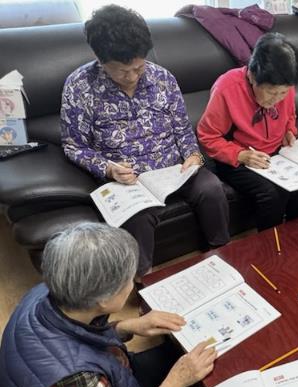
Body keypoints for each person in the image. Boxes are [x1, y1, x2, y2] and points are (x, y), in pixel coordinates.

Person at [0, 223, 217, 387]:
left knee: (171, 357)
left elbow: (76, 338)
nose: (132, 284)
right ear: (103, 300)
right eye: (128, 280)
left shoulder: (47, 291)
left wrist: (126, 326)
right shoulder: (76, 381)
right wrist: (173, 385)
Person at [60, 5, 230, 278]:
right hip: (126, 179)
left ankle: (222, 258)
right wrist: (108, 168)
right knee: (137, 218)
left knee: (212, 189)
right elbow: (73, 145)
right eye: (121, 71)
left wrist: (193, 155)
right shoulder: (80, 86)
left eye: (138, 68)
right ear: (100, 59)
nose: (132, 77)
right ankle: (142, 282)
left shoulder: (163, 78)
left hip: (174, 170)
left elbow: (183, 129)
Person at [197, 32, 298, 231]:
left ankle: (295, 238)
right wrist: (241, 155)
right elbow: (207, 136)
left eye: (283, 93)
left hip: (277, 154)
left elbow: (290, 114)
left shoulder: (285, 84)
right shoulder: (227, 87)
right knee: (272, 194)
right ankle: (270, 244)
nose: (277, 99)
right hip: (240, 157)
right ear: (251, 75)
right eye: (271, 92)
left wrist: (289, 131)